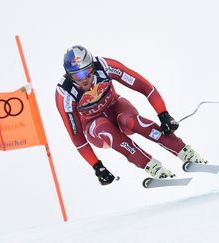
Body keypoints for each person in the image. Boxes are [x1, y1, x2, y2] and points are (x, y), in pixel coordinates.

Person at [55, 45, 208, 185]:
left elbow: (146, 87)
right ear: (69, 75)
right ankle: (151, 165)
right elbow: (78, 139)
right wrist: (97, 166)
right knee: (104, 128)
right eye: (78, 75)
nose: (85, 79)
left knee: (130, 121)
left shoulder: (104, 67)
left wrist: (163, 114)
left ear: (92, 66)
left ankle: (184, 151)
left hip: (115, 107)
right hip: (93, 126)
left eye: (87, 71)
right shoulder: (65, 94)